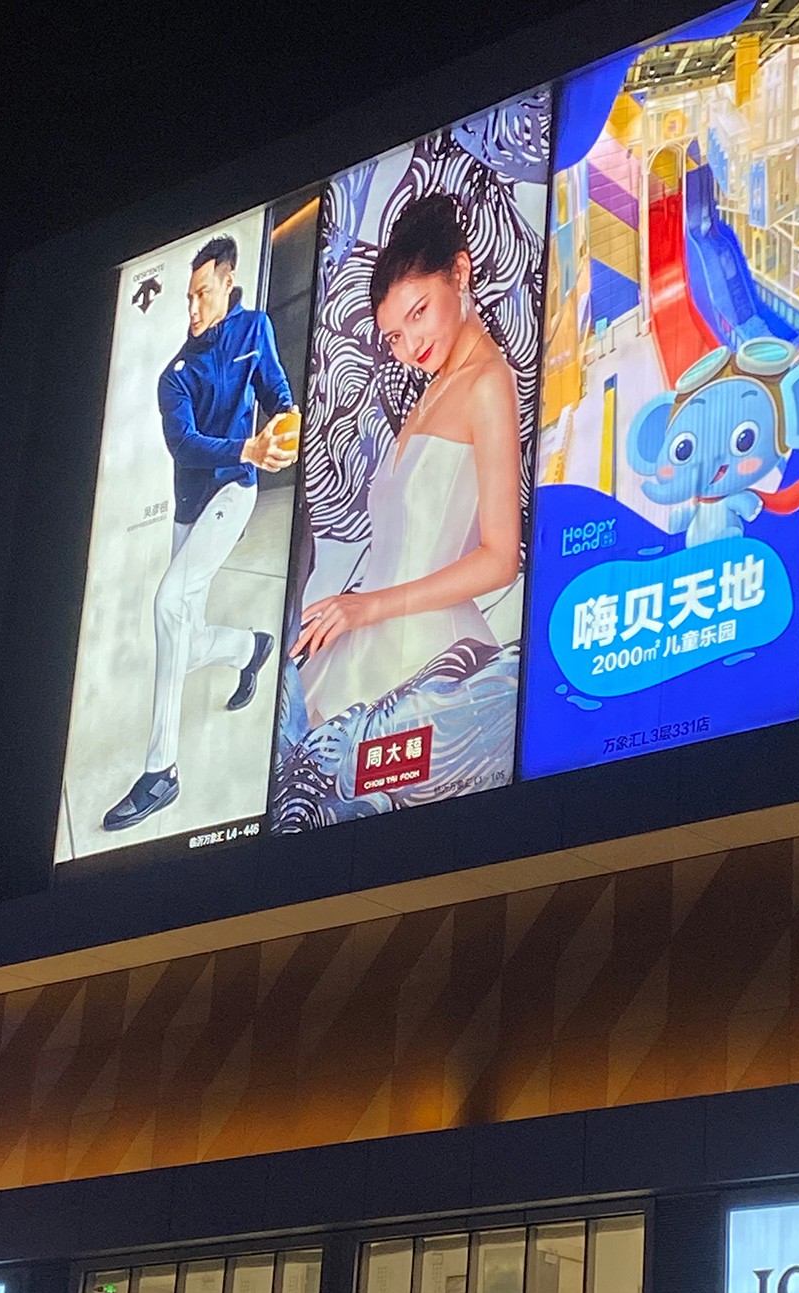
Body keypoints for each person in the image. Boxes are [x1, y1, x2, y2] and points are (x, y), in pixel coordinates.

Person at [289, 193, 522, 725]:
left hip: (428, 657)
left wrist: (369, 606)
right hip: (368, 642)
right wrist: (359, 607)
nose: (412, 344)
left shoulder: (488, 383)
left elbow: (500, 558)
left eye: (420, 313)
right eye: (395, 336)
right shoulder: (434, 389)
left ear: (460, 273)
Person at [104, 235, 299, 832]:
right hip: (191, 505)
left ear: (228, 282)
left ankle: (160, 771)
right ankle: (251, 649)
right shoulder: (174, 376)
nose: (192, 308)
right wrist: (246, 445)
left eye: (202, 293)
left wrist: (285, 425)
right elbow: (183, 444)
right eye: (187, 297)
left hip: (234, 490)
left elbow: (277, 392)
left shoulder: (255, 329)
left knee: (167, 603)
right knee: (181, 641)